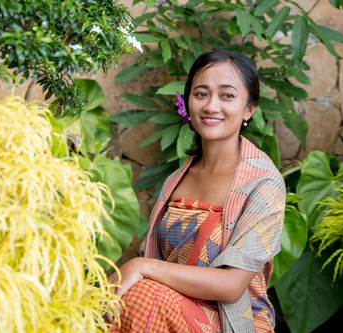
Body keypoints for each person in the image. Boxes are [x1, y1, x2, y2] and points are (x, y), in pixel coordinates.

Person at [106, 50, 286, 333]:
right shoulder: (176, 180)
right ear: (188, 102)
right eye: (201, 94)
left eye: (227, 95)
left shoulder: (264, 183)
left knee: (145, 297)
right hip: (164, 313)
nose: (211, 106)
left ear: (249, 108)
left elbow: (231, 286)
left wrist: (143, 267)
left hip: (229, 322)